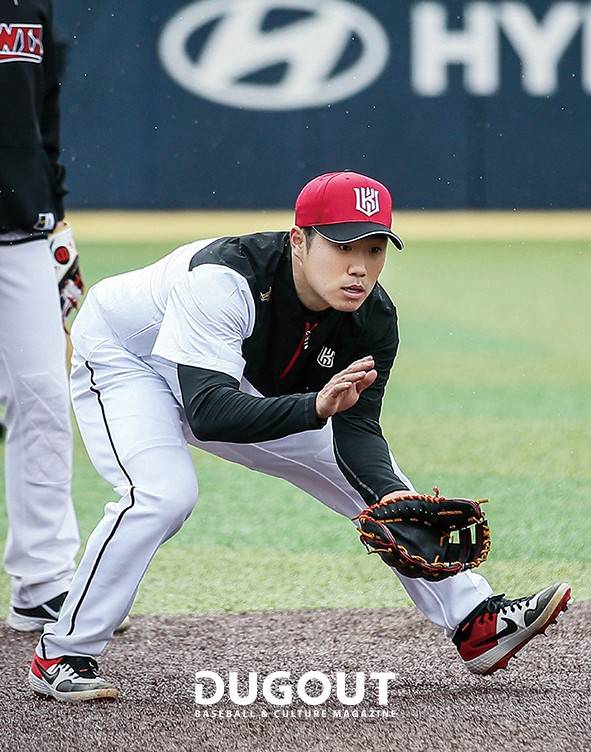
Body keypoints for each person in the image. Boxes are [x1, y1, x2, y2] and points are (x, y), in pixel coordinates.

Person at [28, 171, 571, 702]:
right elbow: (209, 413)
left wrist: (391, 500)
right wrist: (313, 407)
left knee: (379, 487)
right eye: (342, 246)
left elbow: (357, 430)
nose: (360, 267)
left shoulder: (373, 318)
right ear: (299, 240)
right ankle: (63, 653)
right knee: (162, 495)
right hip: (130, 360)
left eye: (375, 249)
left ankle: (476, 623)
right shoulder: (224, 279)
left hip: (220, 374)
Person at [0, 0, 82, 632]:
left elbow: (42, 118)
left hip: (24, 233)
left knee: (44, 399)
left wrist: (57, 225)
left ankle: (44, 581)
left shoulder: (30, 4)